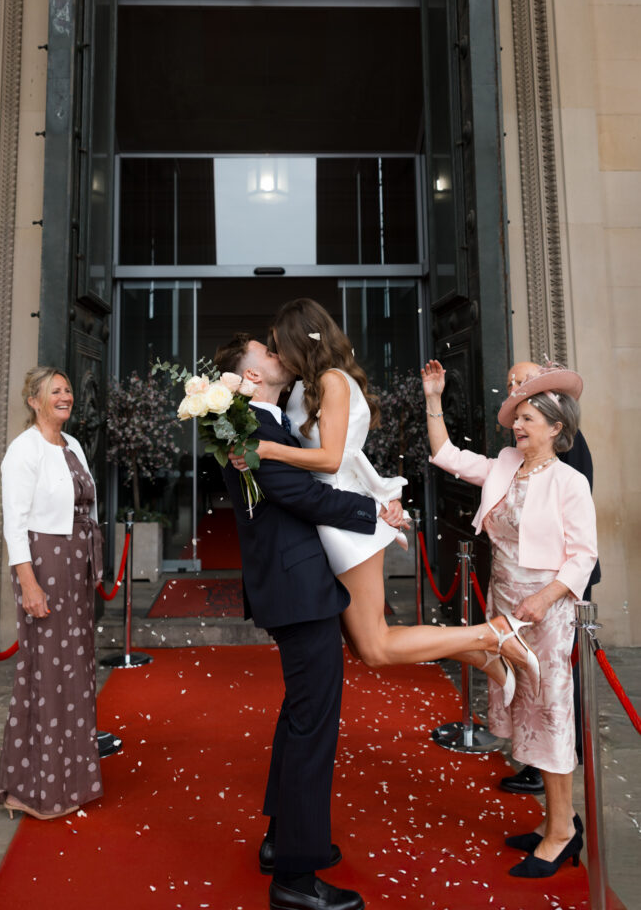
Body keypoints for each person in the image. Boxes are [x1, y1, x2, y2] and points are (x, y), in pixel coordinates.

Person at [229, 299, 533, 697]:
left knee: (374, 646)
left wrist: (268, 450)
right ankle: (481, 652)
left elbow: (332, 458)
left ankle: (491, 635)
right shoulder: (302, 387)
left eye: (279, 345)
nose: (278, 354)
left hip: (345, 518)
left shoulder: (333, 381)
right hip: (327, 515)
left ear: (300, 340)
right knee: (363, 647)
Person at [215, 333, 385, 910]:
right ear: (251, 376)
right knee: (314, 725)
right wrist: (376, 510)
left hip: (294, 586)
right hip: (298, 590)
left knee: (299, 717)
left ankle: (279, 841)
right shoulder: (248, 430)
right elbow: (303, 496)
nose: (278, 353)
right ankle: (295, 877)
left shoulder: (264, 423)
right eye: (266, 352)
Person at [422, 358, 598, 878]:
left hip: (545, 611)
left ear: (556, 427)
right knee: (524, 712)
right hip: (503, 604)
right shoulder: (504, 465)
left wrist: (543, 600)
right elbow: (446, 455)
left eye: (527, 418)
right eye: (516, 417)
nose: (517, 425)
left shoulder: (569, 481)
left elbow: (583, 556)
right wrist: (434, 398)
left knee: (550, 715)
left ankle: (562, 833)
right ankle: (554, 821)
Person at [0, 367, 103, 820]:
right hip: (44, 565)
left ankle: (68, 781)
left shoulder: (72, 444)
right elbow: (14, 523)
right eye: (54, 391)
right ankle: (28, 789)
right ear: (33, 400)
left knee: (74, 671)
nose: (65, 396)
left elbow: (85, 507)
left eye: (68, 390)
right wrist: (29, 582)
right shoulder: (23, 450)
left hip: (74, 567)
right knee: (45, 674)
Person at [500, 361, 602, 797]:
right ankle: (536, 761)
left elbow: (578, 538)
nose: (514, 389)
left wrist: (546, 593)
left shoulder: (566, 463)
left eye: (522, 382)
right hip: (524, 587)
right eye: (510, 384)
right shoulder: (517, 449)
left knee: (556, 684)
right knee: (531, 682)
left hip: (558, 582)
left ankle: (556, 771)